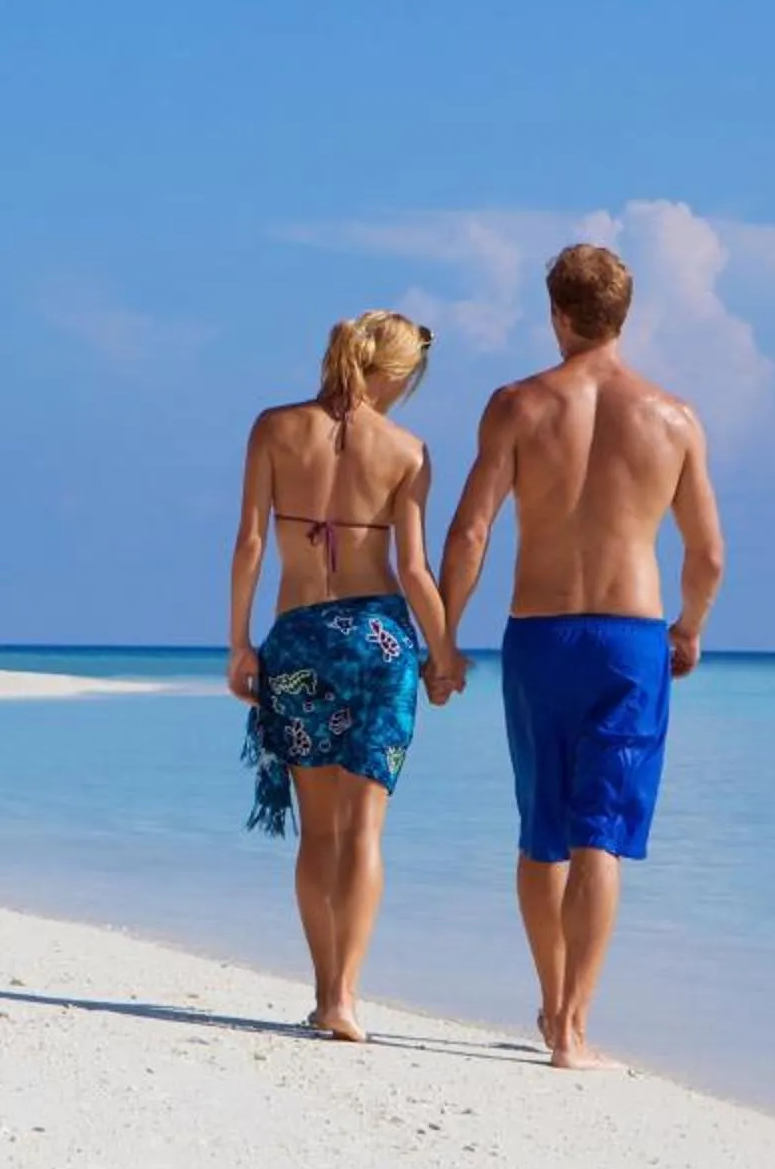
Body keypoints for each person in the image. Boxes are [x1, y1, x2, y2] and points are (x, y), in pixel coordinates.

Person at [432, 246, 726, 1070]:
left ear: (557, 314)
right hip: (630, 639)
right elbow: (706, 553)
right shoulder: (674, 418)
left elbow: (471, 532)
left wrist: (445, 639)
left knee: (542, 831)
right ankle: (574, 1027)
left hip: (540, 634)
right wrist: (690, 628)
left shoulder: (517, 405)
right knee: (603, 832)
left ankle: (550, 997)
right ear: (623, 316)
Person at [228, 310, 453, 1043]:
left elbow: (253, 545)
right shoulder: (408, 451)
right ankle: (348, 998)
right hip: (380, 643)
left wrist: (239, 642)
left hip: (297, 638)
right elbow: (415, 570)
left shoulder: (272, 428)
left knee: (317, 832)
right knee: (364, 833)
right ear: (395, 373)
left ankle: (324, 991)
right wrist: (444, 652)